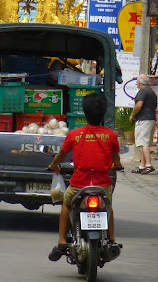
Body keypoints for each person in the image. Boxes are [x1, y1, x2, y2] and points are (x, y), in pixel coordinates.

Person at [47, 93, 122, 262]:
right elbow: (116, 159)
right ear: (103, 113)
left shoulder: (75, 134)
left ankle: (61, 240)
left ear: (84, 113)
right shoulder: (110, 135)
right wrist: (116, 166)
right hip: (102, 185)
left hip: (79, 184)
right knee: (108, 207)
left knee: (67, 203)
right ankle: (112, 240)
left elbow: (60, 156)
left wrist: (53, 165)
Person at [130, 74, 157, 174]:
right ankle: (142, 166)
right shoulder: (152, 92)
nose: (137, 83)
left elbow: (139, 105)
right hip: (151, 119)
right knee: (143, 143)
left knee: (143, 143)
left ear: (140, 82)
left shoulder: (142, 91)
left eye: (137, 81)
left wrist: (132, 114)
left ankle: (148, 165)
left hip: (144, 120)